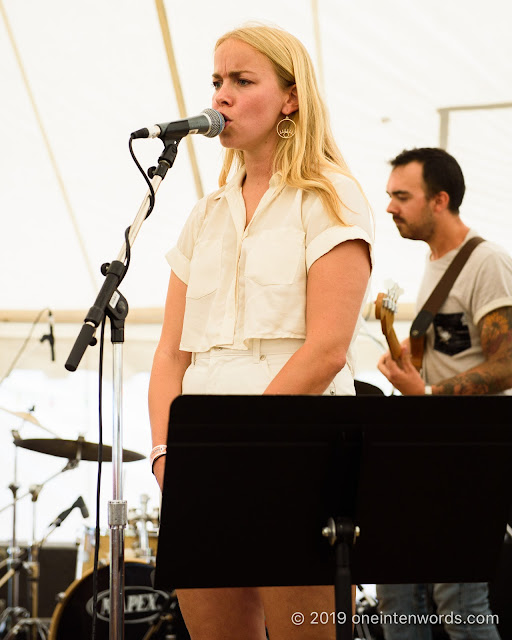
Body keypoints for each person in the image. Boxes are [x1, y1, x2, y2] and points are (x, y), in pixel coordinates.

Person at [148, 23, 373, 640]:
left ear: (290, 98)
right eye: (217, 80)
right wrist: (167, 453)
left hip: (296, 453)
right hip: (204, 461)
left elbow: (326, 348)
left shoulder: (332, 197)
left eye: (242, 81)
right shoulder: (204, 215)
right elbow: (169, 353)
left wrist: (242, 446)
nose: (220, 96)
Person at [377, 147, 512, 640]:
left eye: (401, 196)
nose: (390, 207)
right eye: (390, 195)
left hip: (471, 451)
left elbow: (508, 364)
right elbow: (453, 353)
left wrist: (428, 391)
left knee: (459, 601)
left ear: (440, 200)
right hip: (430, 450)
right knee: (399, 596)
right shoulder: (434, 262)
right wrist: (408, 367)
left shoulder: (488, 261)